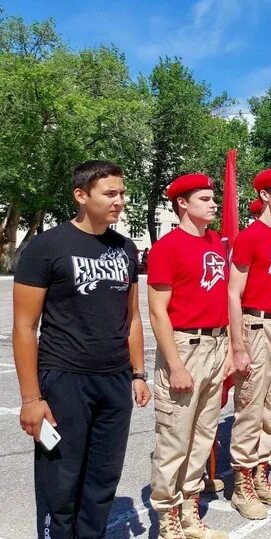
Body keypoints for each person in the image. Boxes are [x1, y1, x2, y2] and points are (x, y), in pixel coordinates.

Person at [13, 160, 151, 538]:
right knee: (61, 482)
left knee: (102, 482)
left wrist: (137, 372)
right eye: (110, 193)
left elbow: (133, 317)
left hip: (115, 380)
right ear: (81, 195)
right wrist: (31, 399)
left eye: (122, 193)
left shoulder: (125, 248)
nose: (119, 201)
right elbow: (24, 328)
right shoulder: (47, 247)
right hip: (64, 380)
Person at [147, 173, 232, 538]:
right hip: (185, 347)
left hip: (216, 344)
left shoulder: (214, 241)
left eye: (214, 199)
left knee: (202, 434)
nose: (214, 204)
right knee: (174, 437)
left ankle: (189, 509)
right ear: (182, 203)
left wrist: (229, 348)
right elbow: (157, 311)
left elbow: (222, 297)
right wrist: (176, 365)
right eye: (205, 199)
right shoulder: (168, 246)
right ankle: (167, 518)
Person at [228, 168, 271, 520]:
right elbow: (233, 293)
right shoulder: (250, 237)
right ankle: (242, 485)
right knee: (250, 407)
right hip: (255, 327)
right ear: (266, 196)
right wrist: (237, 345)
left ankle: (260, 474)